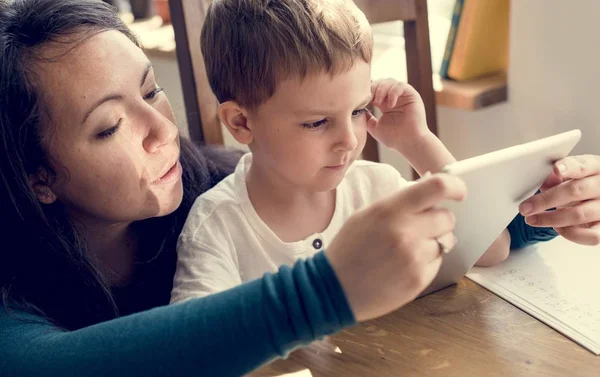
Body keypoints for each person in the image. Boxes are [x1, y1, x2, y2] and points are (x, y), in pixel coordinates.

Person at [0, 1, 598, 376]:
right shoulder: (215, 219)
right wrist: (328, 288)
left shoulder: (195, 179)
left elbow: (459, 237)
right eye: (108, 126)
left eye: (152, 90)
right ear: (38, 178)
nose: (164, 129)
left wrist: (541, 207)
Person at [170, 0, 513, 303]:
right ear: (242, 122)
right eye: (317, 122)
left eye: (358, 111)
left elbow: (492, 249)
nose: (349, 140)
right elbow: (188, 351)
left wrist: (418, 142)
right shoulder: (216, 226)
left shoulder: (376, 187)